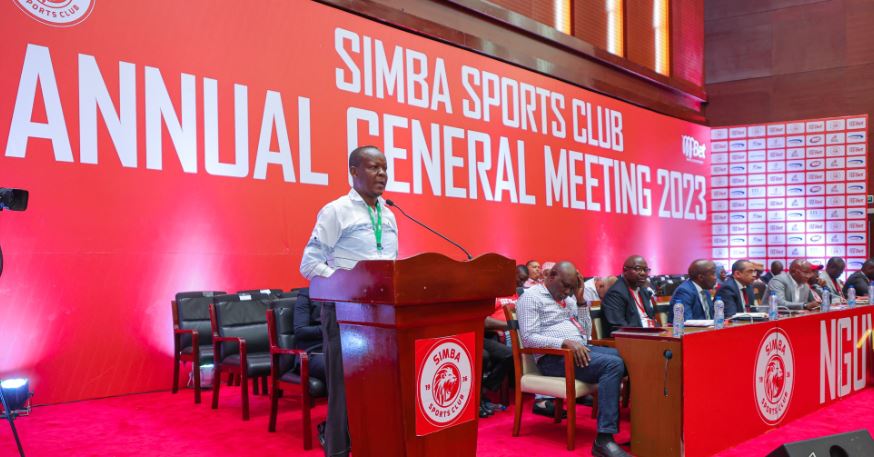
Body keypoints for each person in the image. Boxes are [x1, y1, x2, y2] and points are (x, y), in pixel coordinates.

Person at [299, 145, 399, 457]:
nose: (381, 174)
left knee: (380, 389)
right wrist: (348, 287)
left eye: (384, 168)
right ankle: (339, 451)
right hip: (344, 314)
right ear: (354, 171)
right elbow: (309, 264)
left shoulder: (390, 215)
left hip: (383, 316)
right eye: (373, 167)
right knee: (344, 391)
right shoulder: (336, 211)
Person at [517, 261, 629, 457]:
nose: (568, 291)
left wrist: (580, 301)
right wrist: (564, 343)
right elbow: (528, 338)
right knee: (613, 364)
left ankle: (640, 425)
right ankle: (604, 440)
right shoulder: (531, 298)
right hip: (553, 358)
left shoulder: (569, 299)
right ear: (551, 276)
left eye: (572, 287)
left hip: (579, 351)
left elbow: (585, 334)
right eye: (565, 286)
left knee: (630, 358)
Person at [602, 256, 657, 337]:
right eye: (638, 269)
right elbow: (619, 328)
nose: (643, 273)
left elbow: (651, 318)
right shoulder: (615, 294)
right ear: (625, 271)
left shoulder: (644, 291)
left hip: (651, 335)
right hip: (633, 338)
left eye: (645, 270)